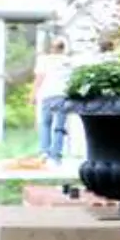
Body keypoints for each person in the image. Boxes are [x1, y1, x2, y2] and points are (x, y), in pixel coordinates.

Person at [31, 35, 72, 166]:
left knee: (45, 124)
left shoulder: (44, 60)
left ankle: (44, 152)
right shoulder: (69, 62)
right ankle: (56, 156)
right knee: (59, 127)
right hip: (62, 96)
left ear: (51, 48)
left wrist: (33, 94)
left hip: (47, 95)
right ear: (63, 48)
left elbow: (39, 78)